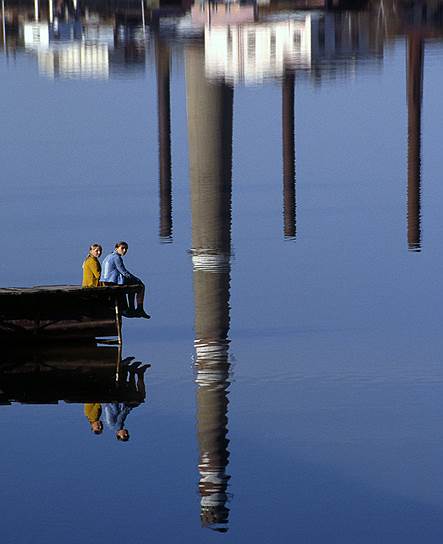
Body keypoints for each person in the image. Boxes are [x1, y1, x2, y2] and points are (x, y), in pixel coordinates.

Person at [101, 241, 150, 319]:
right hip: (112, 282)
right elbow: (124, 272)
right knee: (140, 286)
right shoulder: (116, 257)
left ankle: (132, 308)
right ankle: (139, 309)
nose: (124, 251)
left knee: (132, 285)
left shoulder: (109, 256)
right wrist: (137, 279)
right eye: (122, 248)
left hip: (107, 281)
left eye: (126, 249)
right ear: (116, 248)